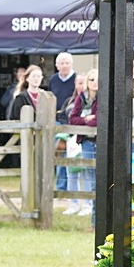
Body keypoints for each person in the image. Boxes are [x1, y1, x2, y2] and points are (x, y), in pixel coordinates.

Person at [68, 69, 99, 218]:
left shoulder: (104, 96)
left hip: (100, 140)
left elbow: (99, 120)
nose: (95, 83)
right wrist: (86, 119)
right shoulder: (81, 97)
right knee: (88, 173)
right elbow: (72, 118)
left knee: (98, 176)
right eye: (92, 79)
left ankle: (94, 211)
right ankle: (89, 207)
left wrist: (89, 120)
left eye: (98, 80)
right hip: (85, 140)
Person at [48, 53, 77, 199]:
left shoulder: (76, 79)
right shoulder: (53, 79)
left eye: (67, 63)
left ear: (71, 64)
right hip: (57, 120)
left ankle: (70, 188)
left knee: (71, 153)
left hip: (71, 121)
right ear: (57, 65)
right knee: (58, 153)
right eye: (62, 63)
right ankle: (60, 187)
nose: (64, 65)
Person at [61, 73, 88, 215]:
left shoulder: (91, 101)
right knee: (70, 172)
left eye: (84, 82)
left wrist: (81, 121)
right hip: (70, 139)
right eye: (79, 82)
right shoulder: (69, 101)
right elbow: (65, 118)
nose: (81, 85)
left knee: (85, 172)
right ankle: (73, 203)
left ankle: (86, 204)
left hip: (84, 139)